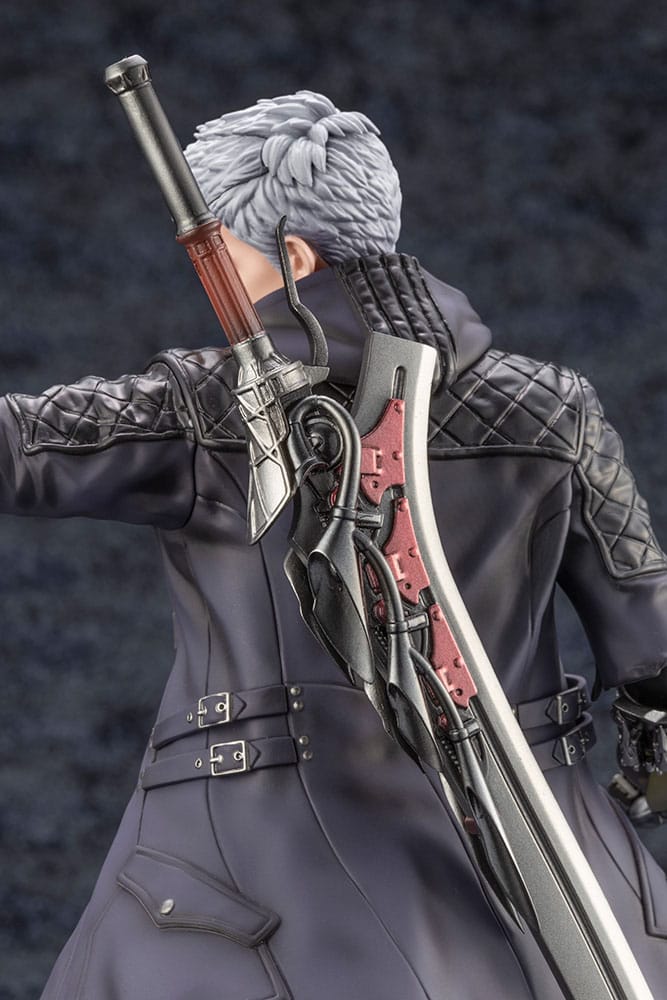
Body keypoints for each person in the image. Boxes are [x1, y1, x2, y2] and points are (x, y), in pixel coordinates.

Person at [2, 90, 666, 1000]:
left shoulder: (202, 408)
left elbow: (17, 449)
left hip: (258, 880)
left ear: (295, 257)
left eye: (227, 251)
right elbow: (650, 641)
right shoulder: (550, 405)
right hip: (557, 864)